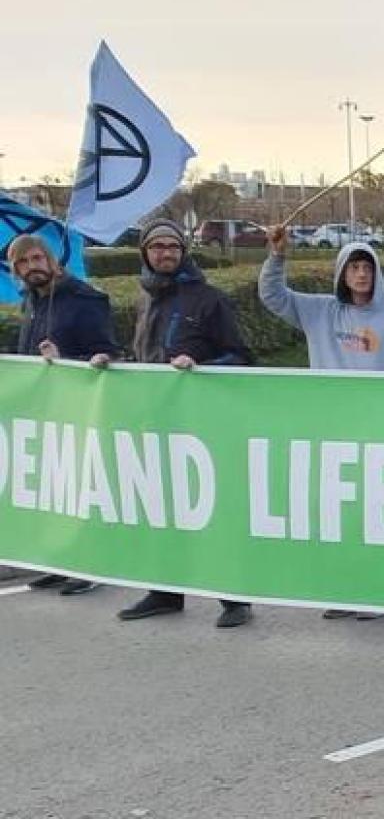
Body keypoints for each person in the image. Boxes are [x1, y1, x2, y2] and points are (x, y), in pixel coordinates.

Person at [261, 225, 384, 621]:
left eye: (367, 267)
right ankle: (346, 589)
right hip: (331, 430)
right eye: (353, 267)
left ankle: (378, 592)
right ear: (341, 273)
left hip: (378, 432)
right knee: (338, 511)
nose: (361, 275)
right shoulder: (320, 311)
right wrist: (277, 257)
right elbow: (272, 296)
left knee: (375, 514)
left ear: (377, 272)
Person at [117, 218, 257, 629]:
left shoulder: (208, 299)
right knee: (161, 508)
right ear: (145, 252)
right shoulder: (145, 300)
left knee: (212, 510)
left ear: (183, 252)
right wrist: (112, 365)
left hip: (202, 426)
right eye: (157, 247)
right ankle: (165, 591)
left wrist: (201, 367)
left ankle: (235, 597)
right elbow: (142, 357)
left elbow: (241, 356)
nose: (165, 253)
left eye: (172, 247)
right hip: (156, 422)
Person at [8, 233, 119, 596]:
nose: (31, 267)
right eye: (22, 263)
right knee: (54, 491)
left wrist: (66, 359)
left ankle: (92, 565)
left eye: (37, 258)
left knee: (82, 489)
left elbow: (108, 354)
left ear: (51, 260)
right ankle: (61, 562)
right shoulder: (32, 302)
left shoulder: (86, 299)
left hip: (80, 410)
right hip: (45, 412)